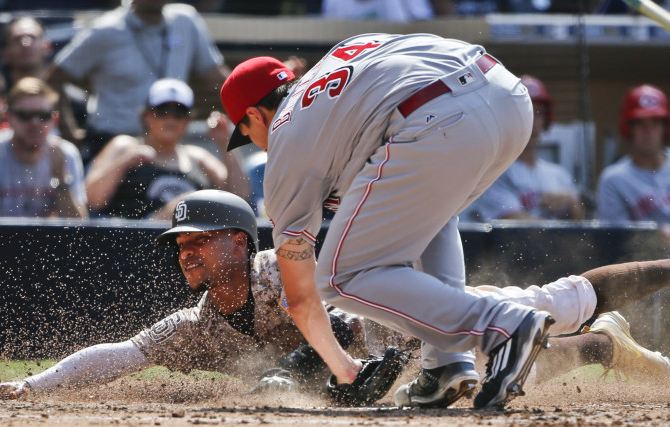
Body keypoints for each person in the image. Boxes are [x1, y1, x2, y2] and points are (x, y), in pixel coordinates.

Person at [0, 191, 670, 402]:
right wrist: (31, 383)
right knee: (544, 366)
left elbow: (347, 312)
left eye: (200, 238)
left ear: (240, 239)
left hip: (443, 318)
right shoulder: (199, 325)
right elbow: (122, 353)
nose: (187, 250)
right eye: (179, 244)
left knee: (563, 296)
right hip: (424, 371)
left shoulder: (286, 264)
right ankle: (604, 345)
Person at [220, 33, 554, 410]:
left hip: (439, 115)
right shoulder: (338, 65)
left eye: (247, 134)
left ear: (252, 115)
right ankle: (446, 363)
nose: (257, 143)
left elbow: (300, 297)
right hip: (508, 97)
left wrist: (344, 368)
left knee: (338, 277)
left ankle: (503, 325)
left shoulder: (285, 134)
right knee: (431, 218)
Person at [46, 0, 230, 164]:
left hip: (166, 147)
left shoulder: (186, 20)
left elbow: (216, 77)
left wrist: (252, 106)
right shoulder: (105, 30)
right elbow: (54, 79)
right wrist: (69, 133)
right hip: (112, 146)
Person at [85, 78, 250, 219]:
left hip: (189, 244)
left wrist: (225, 143)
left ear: (187, 120)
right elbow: (92, 200)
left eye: (179, 112)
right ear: (147, 115)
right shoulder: (125, 146)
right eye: (163, 111)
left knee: (190, 204)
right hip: (133, 239)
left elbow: (239, 199)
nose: (171, 119)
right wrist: (124, 162)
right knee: (187, 204)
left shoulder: (197, 156)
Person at [0, 77, 87, 218]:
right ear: (7, 118)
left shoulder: (66, 154)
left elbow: (77, 232)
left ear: (54, 120)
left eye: (43, 116)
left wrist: (62, 182)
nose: (35, 123)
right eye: (25, 116)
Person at [461, 75, 585, 221]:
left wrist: (573, 203)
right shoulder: (493, 171)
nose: (532, 121)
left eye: (538, 113)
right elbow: (515, 224)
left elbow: (582, 229)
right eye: (525, 113)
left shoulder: (559, 175)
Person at [596, 84, 670, 224]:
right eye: (640, 123)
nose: (648, 131)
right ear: (629, 129)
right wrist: (657, 236)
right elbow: (615, 240)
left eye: (655, 123)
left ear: (664, 128)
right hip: (646, 246)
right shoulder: (614, 179)